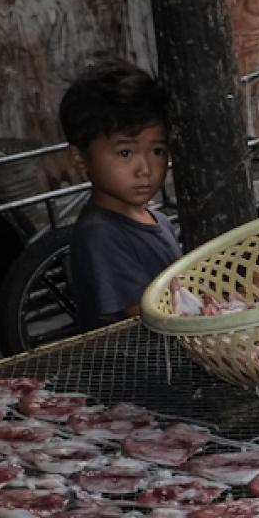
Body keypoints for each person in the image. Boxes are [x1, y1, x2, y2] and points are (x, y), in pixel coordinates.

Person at [59, 61, 181, 330]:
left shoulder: (158, 219)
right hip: (142, 369)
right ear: (80, 160)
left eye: (157, 151)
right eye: (125, 153)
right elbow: (149, 317)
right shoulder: (101, 236)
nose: (145, 169)